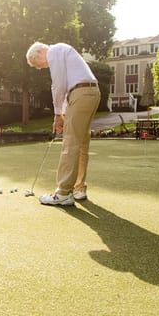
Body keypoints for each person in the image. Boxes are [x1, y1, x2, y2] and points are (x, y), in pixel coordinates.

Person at [26, 41, 101, 205]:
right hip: (91, 93)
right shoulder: (64, 50)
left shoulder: (54, 52)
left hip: (81, 94)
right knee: (81, 143)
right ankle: (78, 188)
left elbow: (58, 85)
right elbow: (69, 88)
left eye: (37, 64)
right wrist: (63, 114)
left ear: (39, 53)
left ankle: (63, 193)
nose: (40, 68)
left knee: (70, 142)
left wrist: (57, 114)